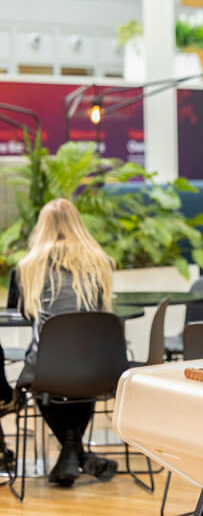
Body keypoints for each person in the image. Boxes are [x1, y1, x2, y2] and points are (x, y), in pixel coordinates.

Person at [16, 198, 119, 486]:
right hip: (97, 367)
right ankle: (78, 455)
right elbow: (100, 310)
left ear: (42, 228)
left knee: (39, 377)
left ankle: (73, 453)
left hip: (49, 367)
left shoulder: (29, 267)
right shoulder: (99, 263)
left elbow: (26, 313)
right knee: (81, 384)